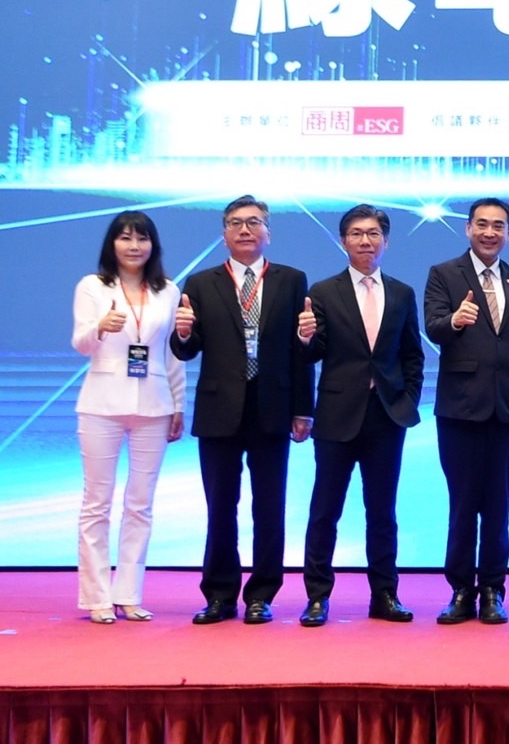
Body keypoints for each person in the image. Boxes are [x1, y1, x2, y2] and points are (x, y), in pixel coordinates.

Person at [172, 195, 314, 625]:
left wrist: (303, 409)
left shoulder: (292, 280)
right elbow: (186, 349)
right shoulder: (201, 283)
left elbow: (300, 350)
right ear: (224, 234)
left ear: (269, 232)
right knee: (220, 507)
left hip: (273, 406)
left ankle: (262, 595)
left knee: (269, 507)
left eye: (254, 222)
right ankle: (219, 595)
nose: (245, 230)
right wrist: (183, 334)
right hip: (220, 409)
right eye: (236, 223)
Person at [295, 205, 424, 628]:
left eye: (372, 233)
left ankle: (385, 594)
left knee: (382, 512)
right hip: (336, 415)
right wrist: (305, 338)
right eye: (355, 233)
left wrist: (406, 401)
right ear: (343, 241)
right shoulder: (324, 291)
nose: (365, 241)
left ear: (386, 241)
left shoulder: (402, 293)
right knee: (325, 510)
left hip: (386, 416)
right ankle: (317, 597)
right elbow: (313, 353)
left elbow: (412, 355)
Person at [424, 197, 509, 626]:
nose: (490, 232)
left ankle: (492, 589)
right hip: (460, 410)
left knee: (498, 506)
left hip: (508, 409)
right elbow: (433, 327)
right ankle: (460, 590)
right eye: (482, 224)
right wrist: (455, 320)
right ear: (468, 228)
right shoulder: (443, 274)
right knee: (462, 504)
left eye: (499, 226)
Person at [71, 211, 186, 623]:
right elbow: (80, 343)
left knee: (140, 504)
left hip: (154, 404)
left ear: (153, 245)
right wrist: (100, 327)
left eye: (142, 238)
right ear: (112, 244)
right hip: (101, 404)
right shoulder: (92, 286)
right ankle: (97, 597)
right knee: (96, 503)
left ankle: (129, 593)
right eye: (125, 238)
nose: (134, 246)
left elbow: (172, 352)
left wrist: (178, 403)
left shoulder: (168, 290)